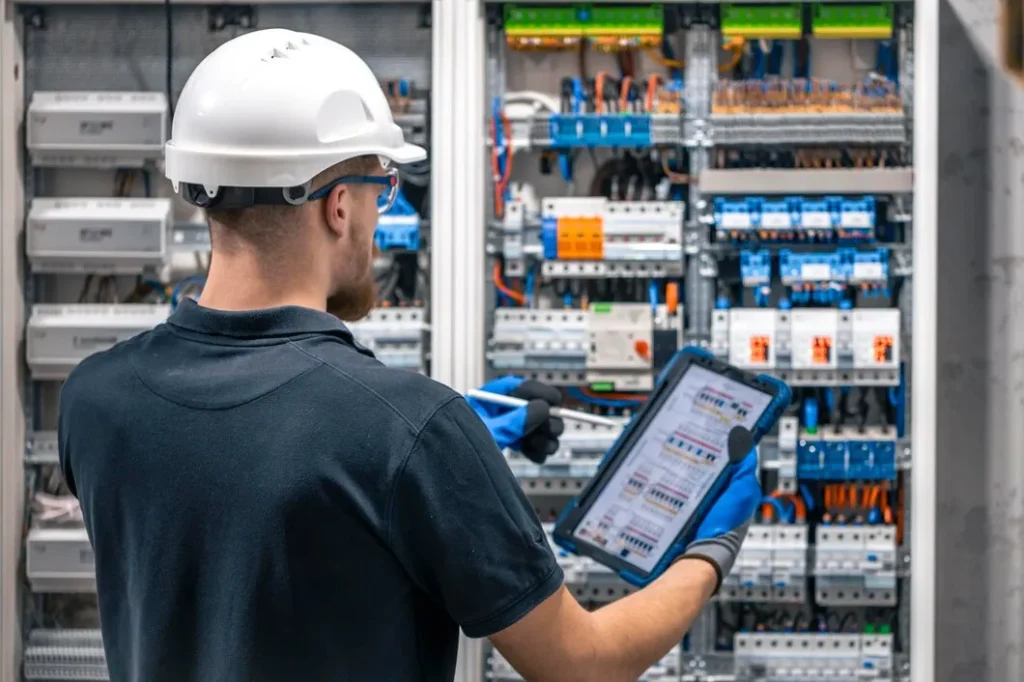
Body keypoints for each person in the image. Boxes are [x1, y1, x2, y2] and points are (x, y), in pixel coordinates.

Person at [57, 28, 760, 682]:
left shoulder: (95, 397)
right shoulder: (409, 431)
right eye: (382, 188)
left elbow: (241, 481)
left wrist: (426, 458)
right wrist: (708, 551)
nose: (379, 214)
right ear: (338, 206)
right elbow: (583, 664)